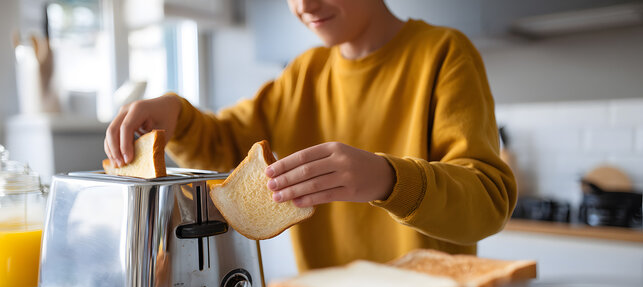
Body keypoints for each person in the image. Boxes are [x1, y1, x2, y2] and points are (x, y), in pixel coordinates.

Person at [104, 0, 517, 271]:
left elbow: (488, 200)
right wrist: (176, 114)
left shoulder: (444, 54)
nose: (304, 6)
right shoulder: (303, 74)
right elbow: (225, 143)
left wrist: (388, 179)